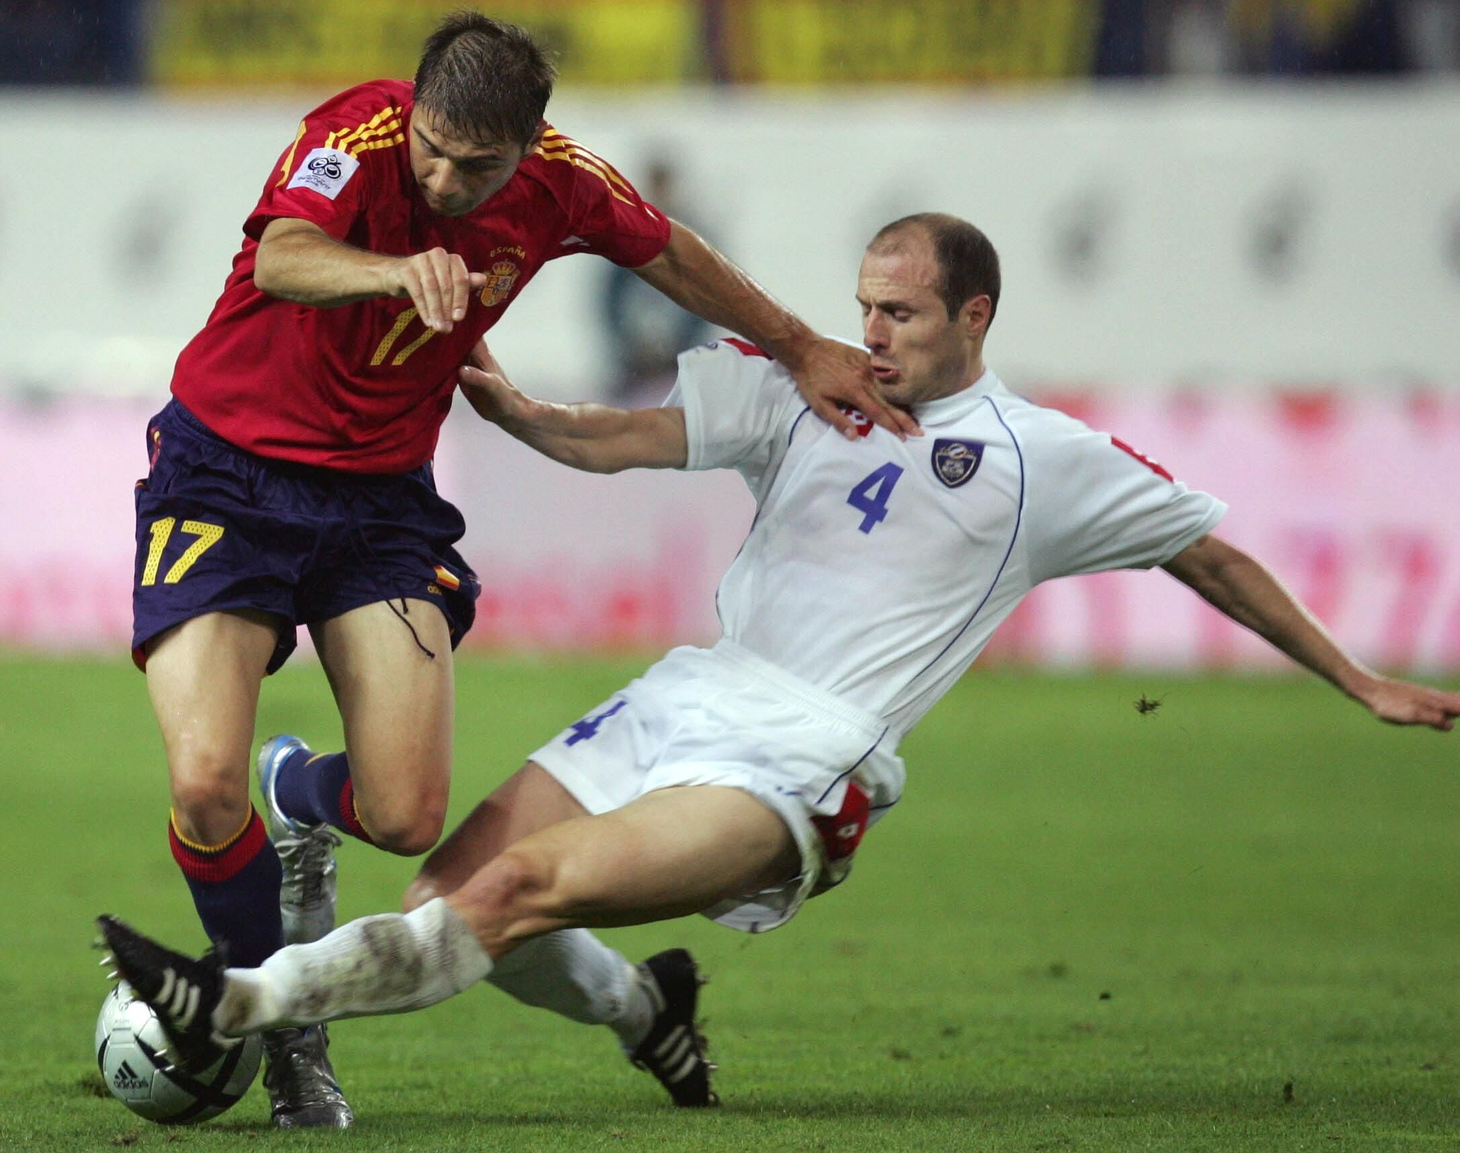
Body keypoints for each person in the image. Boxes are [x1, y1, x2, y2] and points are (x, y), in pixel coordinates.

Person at [102, 212, 1460, 1114]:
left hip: (806, 753)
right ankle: (649, 1014)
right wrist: (513, 405)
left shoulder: (1048, 457)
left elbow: (1208, 552)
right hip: (687, 693)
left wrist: (1356, 678)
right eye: (864, 306)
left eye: (904, 316)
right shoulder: (806, 385)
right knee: (456, 894)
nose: (872, 334)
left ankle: (235, 1000)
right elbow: (607, 440)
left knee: (511, 891)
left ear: (976, 315)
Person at [130, 9, 911, 1131]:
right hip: (226, 476)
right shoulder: (353, 133)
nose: (445, 176)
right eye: (434, 147)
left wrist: (798, 344)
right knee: (201, 781)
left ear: (526, 146)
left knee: (405, 816)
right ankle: (288, 1034)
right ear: (415, 108)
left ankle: (299, 791)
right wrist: (395, 271)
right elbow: (282, 256)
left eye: (476, 163)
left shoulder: (563, 183)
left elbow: (674, 252)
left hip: (377, 506)